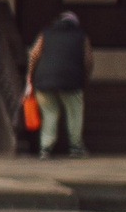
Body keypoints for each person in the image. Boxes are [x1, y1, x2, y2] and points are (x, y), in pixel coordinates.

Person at [27, 9, 93, 159]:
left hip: (43, 80)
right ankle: (75, 147)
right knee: (74, 113)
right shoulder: (81, 35)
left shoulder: (46, 33)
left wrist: (30, 76)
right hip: (71, 80)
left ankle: (45, 148)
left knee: (50, 113)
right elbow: (88, 60)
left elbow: (33, 54)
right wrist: (85, 78)